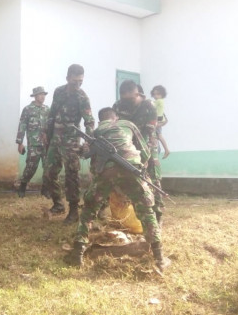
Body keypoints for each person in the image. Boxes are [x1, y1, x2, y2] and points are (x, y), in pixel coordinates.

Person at [64, 108, 169, 270]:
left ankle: (77, 253)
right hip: (132, 167)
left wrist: (99, 184)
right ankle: (159, 257)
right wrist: (139, 167)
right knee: (147, 211)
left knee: (89, 211)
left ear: (100, 121)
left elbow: (92, 160)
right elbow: (146, 152)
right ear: (116, 117)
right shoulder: (128, 124)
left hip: (107, 171)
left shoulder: (98, 130)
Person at [43, 64, 95, 223]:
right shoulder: (58, 91)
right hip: (55, 138)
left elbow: (89, 121)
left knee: (71, 175)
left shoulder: (82, 97)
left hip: (71, 140)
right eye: (74, 81)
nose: (77, 85)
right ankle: (58, 204)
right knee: (49, 173)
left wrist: (89, 140)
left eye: (80, 81)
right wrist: (46, 131)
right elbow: (52, 113)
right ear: (67, 78)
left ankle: (73, 210)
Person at [113, 80, 165, 227]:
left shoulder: (149, 106)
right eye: (124, 98)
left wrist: (145, 157)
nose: (126, 102)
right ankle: (127, 212)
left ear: (137, 94)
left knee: (153, 178)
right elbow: (114, 127)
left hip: (147, 144)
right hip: (127, 146)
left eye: (129, 99)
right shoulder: (118, 106)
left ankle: (158, 213)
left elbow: (150, 133)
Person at [15, 86, 50, 197]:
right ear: (35, 96)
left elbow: (51, 126)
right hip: (34, 144)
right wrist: (20, 143)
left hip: (46, 144)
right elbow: (22, 126)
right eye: (40, 94)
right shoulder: (28, 109)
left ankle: (46, 190)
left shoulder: (47, 109)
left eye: (44, 94)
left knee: (48, 167)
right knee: (30, 167)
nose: (42, 97)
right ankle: (22, 187)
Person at [150, 85, 170, 159]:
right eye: (154, 94)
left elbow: (159, 111)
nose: (155, 96)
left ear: (162, 95)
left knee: (159, 136)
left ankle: (166, 150)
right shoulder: (159, 101)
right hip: (160, 120)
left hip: (158, 120)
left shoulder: (159, 101)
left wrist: (158, 121)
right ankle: (166, 150)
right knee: (158, 136)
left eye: (158, 94)